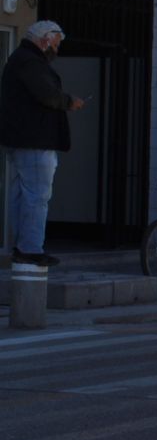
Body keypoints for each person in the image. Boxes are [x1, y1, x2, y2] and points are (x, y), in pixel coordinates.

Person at [1, 20, 84, 266]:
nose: (56, 50)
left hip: (22, 139)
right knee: (37, 196)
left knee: (23, 195)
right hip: (34, 140)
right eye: (56, 44)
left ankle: (23, 247)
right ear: (45, 40)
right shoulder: (30, 61)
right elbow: (46, 94)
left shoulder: (22, 59)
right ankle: (31, 248)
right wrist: (69, 101)